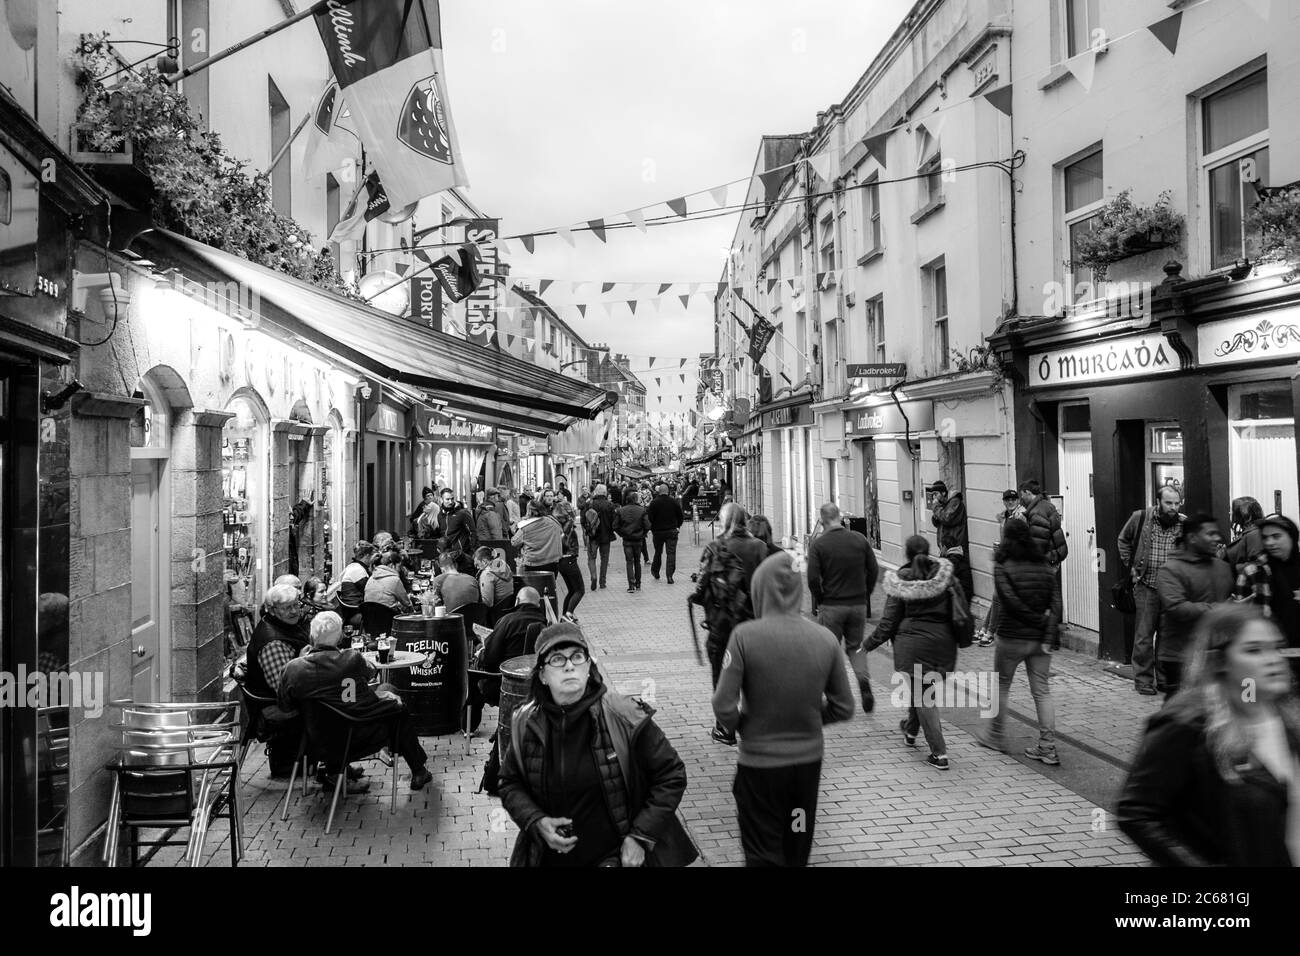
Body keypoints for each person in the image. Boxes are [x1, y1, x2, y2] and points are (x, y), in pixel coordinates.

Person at [497, 623, 696, 867]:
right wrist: (536, 821)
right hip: (549, 859)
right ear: (542, 675)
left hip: (612, 858)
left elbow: (671, 774)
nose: (569, 666)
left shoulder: (623, 715)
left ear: (589, 667)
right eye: (557, 659)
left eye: (577, 657)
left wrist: (640, 838)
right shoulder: (526, 722)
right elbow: (509, 782)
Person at [1117, 603, 1300, 866]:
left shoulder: (1285, 716)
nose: (1273, 659)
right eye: (1254, 650)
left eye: (1276, 647)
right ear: (1219, 660)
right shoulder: (1187, 721)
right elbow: (1136, 812)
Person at [713, 552, 854, 866]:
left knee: (762, 849)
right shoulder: (825, 639)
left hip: (759, 771)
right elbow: (844, 707)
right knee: (796, 844)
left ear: (759, 590)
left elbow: (722, 704)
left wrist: (743, 725)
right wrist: (811, 717)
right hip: (805, 771)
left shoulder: (745, 637)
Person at [279, 611, 432, 793]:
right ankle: (419, 769)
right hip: (357, 738)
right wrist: (385, 700)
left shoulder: (292, 669)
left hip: (314, 740)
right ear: (340, 636)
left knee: (347, 704)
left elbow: (285, 706)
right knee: (395, 701)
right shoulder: (351, 658)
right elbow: (371, 673)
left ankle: (336, 771)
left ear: (312, 636)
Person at [864, 536, 965, 771]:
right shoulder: (946, 576)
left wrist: (867, 645)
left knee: (923, 697)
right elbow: (960, 608)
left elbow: (888, 623)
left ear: (907, 555)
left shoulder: (900, 581)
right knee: (923, 690)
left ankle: (939, 754)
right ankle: (910, 730)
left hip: (913, 646)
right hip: (943, 645)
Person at [975, 518, 1060, 765]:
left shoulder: (1002, 564)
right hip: (1039, 641)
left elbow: (1008, 600)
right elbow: (1055, 603)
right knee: (1042, 692)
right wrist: (1047, 631)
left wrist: (1035, 620)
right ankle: (1048, 746)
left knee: (1001, 686)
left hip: (1011, 636)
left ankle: (995, 736)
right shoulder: (1043, 563)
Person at [689, 502, 769, 745]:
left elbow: (701, 590)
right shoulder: (760, 547)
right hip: (754, 622)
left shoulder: (715, 547)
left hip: (722, 623)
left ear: (724, 521)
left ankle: (725, 727)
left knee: (721, 674)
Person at [807, 502, 879, 713]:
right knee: (856, 647)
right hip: (857, 604)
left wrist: (820, 598)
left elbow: (812, 578)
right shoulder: (859, 539)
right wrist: (866, 593)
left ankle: (823, 694)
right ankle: (864, 684)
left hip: (832, 605)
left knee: (828, 650)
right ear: (839, 517)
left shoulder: (819, 545)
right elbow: (873, 569)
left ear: (821, 521)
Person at [1155, 513, 1233, 700]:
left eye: (1217, 533)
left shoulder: (1222, 567)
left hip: (1217, 654)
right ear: (1192, 538)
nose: (1217, 538)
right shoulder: (1170, 569)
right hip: (1181, 656)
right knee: (1181, 712)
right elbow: (1177, 608)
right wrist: (1218, 609)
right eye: (1210, 534)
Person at [1118, 486, 1185, 695]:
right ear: (1158, 502)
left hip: (1173, 590)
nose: (1173, 508)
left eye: (1176, 503)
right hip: (1147, 586)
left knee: (1167, 636)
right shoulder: (1141, 517)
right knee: (1144, 636)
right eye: (1168, 503)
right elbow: (1123, 540)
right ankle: (1144, 680)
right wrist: (1132, 568)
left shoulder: (1185, 523)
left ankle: (1164, 679)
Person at [244, 583, 310, 779]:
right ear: (272, 610)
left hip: (285, 696)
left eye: (296, 605)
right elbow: (285, 689)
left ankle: (332, 763)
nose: (294, 611)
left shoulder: (285, 627)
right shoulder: (273, 642)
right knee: (333, 706)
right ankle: (335, 768)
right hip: (275, 705)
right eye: (287, 608)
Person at [467, 588, 553, 733]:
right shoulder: (545, 626)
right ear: (538, 605)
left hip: (501, 685)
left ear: (517, 601)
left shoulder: (507, 621)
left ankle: (468, 725)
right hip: (535, 686)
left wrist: (480, 653)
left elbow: (489, 660)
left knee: (475, 672)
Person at [1233, 513, 1300, 683]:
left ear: (1292, 537)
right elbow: (1240, 626)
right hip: (1269, 661)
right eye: (1265, 538)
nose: (1270, 542)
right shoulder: (1253, 573)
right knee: (1258, 704)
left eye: (1276, 536)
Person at [1019, 479, 1069, 650]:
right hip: (1054, 558)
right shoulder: (1046, 506)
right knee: (1051, 600)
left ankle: (1049, 639)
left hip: (1045, 562)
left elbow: (1038, 542)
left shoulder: (1036, 512)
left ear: (1027, 492)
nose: (1020, 499)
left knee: (1050, 600)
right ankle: (1049, 637)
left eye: (1021, 494)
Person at [975, 490, 1026, 647]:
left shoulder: (1021, 516)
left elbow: (1021, 540)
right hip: (1006, 560)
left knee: (998, 596)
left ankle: (990, 632)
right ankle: (985, 629)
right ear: (1004, 501)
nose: (1010, 502)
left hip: (1016, 562)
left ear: (1018, 500)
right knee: (997, 596)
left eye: (1013, 499)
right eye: (1007, 499)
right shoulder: (1004, 516)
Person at [928, 480, 972, 605]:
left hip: (955, 548)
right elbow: (937, 521)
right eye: (933, 495)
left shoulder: (955, 502)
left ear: (943, 492)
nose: (934, 497)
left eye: (936, 494)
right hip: (945, 548)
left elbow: (947, 518)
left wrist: (936, 507)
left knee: (952, 578)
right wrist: (937, 511)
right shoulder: (944, 504)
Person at [551, 494, 586, 621]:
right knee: (580, 590)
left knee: (572, 590)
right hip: (568, 559)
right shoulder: (568, 524)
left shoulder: (555, 523)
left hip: (561, 561)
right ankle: (568, 614)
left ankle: (565, 615)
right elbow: (565, 542)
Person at [512, 499, 563, 575]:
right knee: (549, 585)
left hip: (533, 563)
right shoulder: (552, 521)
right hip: (552, 562)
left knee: (533, 586)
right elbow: (561, 533)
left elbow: (514, 542)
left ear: (529, 511)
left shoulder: (525, 526)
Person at [646, 483, 685, 583]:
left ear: (659, 491)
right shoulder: (673, 501)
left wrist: (653, 527)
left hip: (658, 532)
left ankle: (655, 571)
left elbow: (650, 517)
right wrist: (678, 526)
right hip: (671, 531)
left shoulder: (654, 503)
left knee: (658, 552)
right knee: (671, 553)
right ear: (668, 491)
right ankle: (669, 576)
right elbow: (680, 516)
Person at [614, 490, 651, 593]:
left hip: (627, 540)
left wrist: (622, 534)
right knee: (637, 561)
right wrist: (643, 534)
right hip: (638, 539)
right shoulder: (641, 510)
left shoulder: (621, 511)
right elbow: (648, 525)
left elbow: (615, 526)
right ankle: (638, 583)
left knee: (629, 562)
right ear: (636, 499)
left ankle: (631, 584)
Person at [586, 484, 617, 590]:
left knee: (591, 557)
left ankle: (593, 576)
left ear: (596, 492)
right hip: (606, 536)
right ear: (605, 493)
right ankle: (602, 582)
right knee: (604, 559)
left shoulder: (590, 504)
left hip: (593, 536)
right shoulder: (610, 505)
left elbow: (583, 519)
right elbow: (614, 521)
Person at [363, 549, 412, 613]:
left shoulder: (371, 578)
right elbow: (407, 603)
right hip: (388, 619)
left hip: (369, 618)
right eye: (399, 566)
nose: (399, 570)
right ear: (392, 565)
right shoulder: (394, 580)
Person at [1225, 496, 1267, 570]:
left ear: (1242, 513)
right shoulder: (1248, 532)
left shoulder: (1254, 534)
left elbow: (1257, 565)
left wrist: (1232, 566)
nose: (1230, 513)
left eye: (1232, 510)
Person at [475, 546, 515, 616]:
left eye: (477, 564)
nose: (477, 568)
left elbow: (488, 603)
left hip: (495, 613)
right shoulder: (503, 564)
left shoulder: (487, 574)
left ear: (484, 561)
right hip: (508, 609)